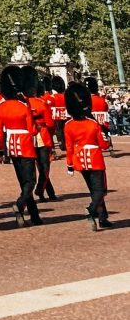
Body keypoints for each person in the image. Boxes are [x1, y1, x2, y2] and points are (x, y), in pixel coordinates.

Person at [0, 65, 42, 227]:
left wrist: (0, 150)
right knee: (31, 181)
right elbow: (32, 130)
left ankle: (33, 216)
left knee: (23, 181)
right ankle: (20, 204)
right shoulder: (24, 106)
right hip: (25, 144)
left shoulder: (0, 108)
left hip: (11, 146)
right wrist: (38, 127)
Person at [64, 81, 112, 230]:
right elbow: (103, 145)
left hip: (79, 160)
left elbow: (69, 147)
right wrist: (106, 138)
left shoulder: (68, 125)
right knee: (101, 190)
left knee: (93, 190)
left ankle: (102, 218)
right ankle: (91, 211)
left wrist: (69, 165)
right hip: (95, 158)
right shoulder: (92, 123)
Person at [23, 67, 57, 202]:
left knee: (34, 167)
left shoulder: (23, 103)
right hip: (42, 134)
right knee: (44, 166)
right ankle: (40, 190)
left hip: (27, 137)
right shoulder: (41, 103)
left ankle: (46, 192)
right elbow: (50, 124)